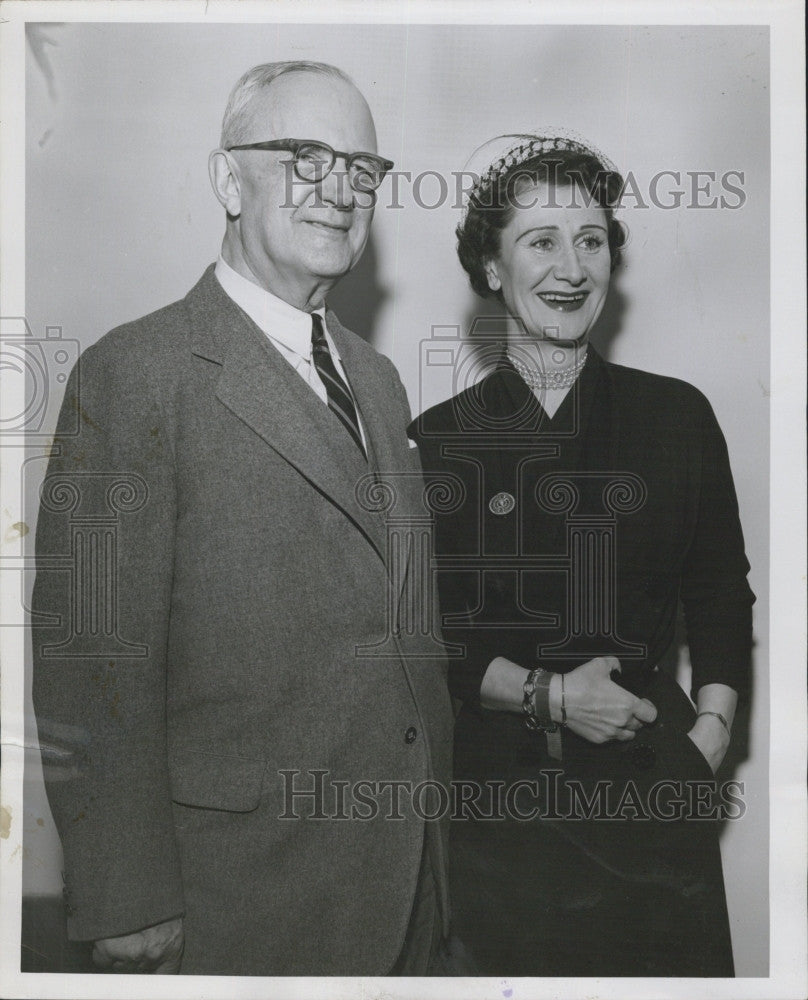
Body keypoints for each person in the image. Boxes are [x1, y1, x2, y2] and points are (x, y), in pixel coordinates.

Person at [31, 61, 454, 976]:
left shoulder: (376, 379)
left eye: (363, 168)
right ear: (229, 179)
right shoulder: (133, 374)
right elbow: (90, 663)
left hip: (408, 887)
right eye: (306, 156)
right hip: (241, 899)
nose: (340, 189)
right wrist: (126, 896)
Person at [409, 132, 755, 976]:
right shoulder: (436, 442)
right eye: (541, 241)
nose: (572, 267)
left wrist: (710, 733)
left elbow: (720, 591)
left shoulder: (676, 416)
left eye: (591, 241)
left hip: (654, 804)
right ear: (492, 268)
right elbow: (426, 642)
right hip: (503, 820)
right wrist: (550, 696)